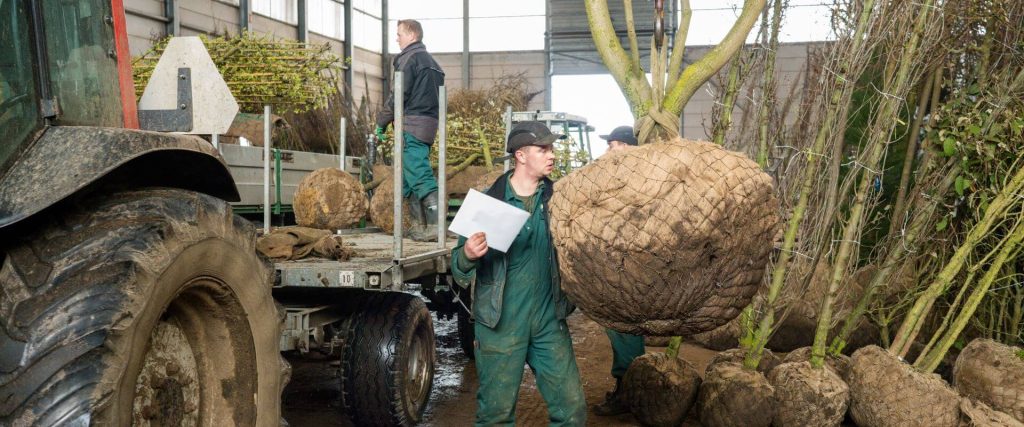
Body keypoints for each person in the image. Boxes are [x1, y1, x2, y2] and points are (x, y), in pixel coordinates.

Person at [451, 121, 587, 426]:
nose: (552, 155)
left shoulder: (560, 201)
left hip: (548, 321)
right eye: (543, 149)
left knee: (572, 410)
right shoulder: (489, 203)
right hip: (500, 324)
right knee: (495, 416)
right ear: (521, 155)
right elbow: (457, 267)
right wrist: (468, 255)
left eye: (552, 148)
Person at [592, 125, 646, 417]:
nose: (607, 151)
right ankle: (629, 391)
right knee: (623, 330)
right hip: (620, 266)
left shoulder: (635, 181)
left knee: (624, 328)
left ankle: (629, 396)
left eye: (612, 145)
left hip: (628, 270)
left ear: (627, 147)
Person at [375, 19, 445, 241]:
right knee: (408, 177)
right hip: (428, 124)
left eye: (399, 34)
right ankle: (417, 226)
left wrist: (381, 122)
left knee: (420, 175)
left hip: (412, 126)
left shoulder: (409, 59)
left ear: (412, 35)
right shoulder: (433, 63)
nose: (397, 38)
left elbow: (398, 95)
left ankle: (435, 227)